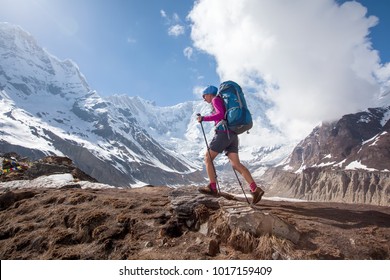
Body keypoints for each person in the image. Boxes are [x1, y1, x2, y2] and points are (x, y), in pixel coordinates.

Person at [197, 85, 265, 204]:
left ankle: (212, 187)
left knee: (208, 158)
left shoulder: (215, 100)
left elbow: (220, 115)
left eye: (204, 96)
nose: (204, 99)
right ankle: (255, 189)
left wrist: (203, 118)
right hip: (232, 135)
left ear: (209, 94)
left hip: (223, 133)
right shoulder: (221, 100)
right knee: (236, 164)